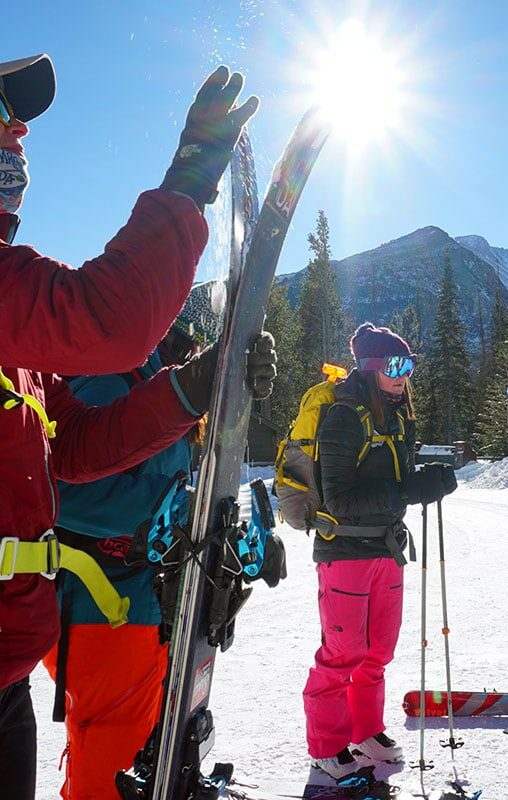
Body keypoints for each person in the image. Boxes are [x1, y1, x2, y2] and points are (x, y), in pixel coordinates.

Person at [0, 53, 261, 798]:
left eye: (16, 122)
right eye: (0, 116)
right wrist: (189, 179)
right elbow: (108, 318)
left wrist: (190, 389)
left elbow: (73, 446)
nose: (16, 136)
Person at [43, 286, 273, 800]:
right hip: (98, 603)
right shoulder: (113, 381)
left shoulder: (162, 391)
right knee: (111, 762)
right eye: (189, 335)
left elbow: (164, 493)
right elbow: (59, 489)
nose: (192, 348)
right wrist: (167, 512)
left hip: (138, 599)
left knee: (140, 749)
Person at [303, 322, 457, 779]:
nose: (403, 375)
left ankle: (366, 730)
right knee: (341, 654)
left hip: (387, 548)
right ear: (371, 368)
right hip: (345, 551)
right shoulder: (345, 417)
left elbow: (396, 482)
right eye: (394, 365)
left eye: (408, 365)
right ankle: (326, 745)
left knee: (378, 651)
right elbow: (339, 501)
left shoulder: (395, 416)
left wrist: (422, 480)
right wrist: (406, 490)